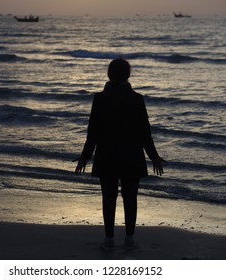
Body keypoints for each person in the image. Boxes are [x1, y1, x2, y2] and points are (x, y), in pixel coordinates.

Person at [74, 58, 165, 250]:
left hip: (106, 155)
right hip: (132, 156)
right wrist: (154, 157)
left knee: (108, 197)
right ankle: (130, 239)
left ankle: (108, 240)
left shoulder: (100, 99)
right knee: (130, 197)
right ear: (128, 75)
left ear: (109, 74)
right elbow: (144, 133)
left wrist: (85, 156)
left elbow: (93, 132)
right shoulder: (136, 99)